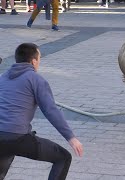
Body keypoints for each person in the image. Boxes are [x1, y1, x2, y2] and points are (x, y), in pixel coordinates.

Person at [0, 43, 83, 180]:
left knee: (5, 154)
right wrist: (71, 137)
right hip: (18, 138)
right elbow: (51, 110)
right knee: (63, 158)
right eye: (39, 59)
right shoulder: (36, 79)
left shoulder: (2, 77)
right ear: (34, 61)